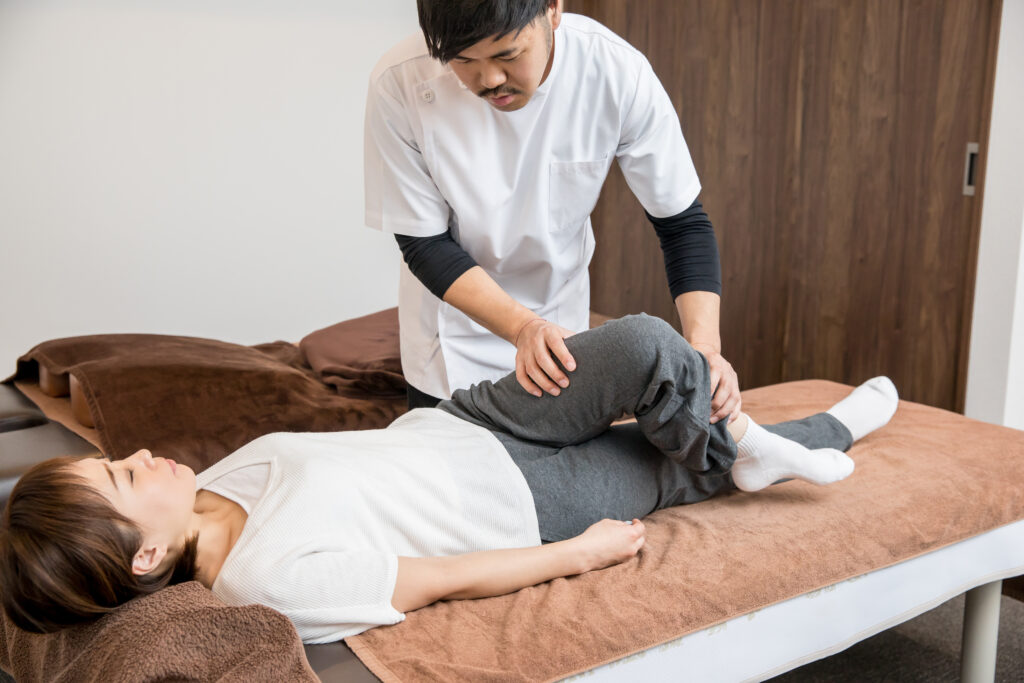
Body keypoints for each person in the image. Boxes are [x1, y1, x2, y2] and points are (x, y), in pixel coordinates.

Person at [0, 316, 898, 643]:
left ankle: (743, 440)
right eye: (122, 477)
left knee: (644, 344)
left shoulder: (212, 483)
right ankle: (813, 432)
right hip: (534, 504)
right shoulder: (265, 582)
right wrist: (575, 555)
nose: (138, 456)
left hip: (472, 422)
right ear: (147, 555)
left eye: (113, 457)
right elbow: (437, 577)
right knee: (674, 467)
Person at [365, 0, 741, 421]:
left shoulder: (615, 71)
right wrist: (523, 328)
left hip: (562, 337)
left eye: (508, 54)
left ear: (553, 8)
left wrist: (705, 350)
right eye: (463, 60)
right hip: (450, 347)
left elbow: (681, 224)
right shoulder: (399, 81)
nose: (490, 79)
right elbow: (424, 244)